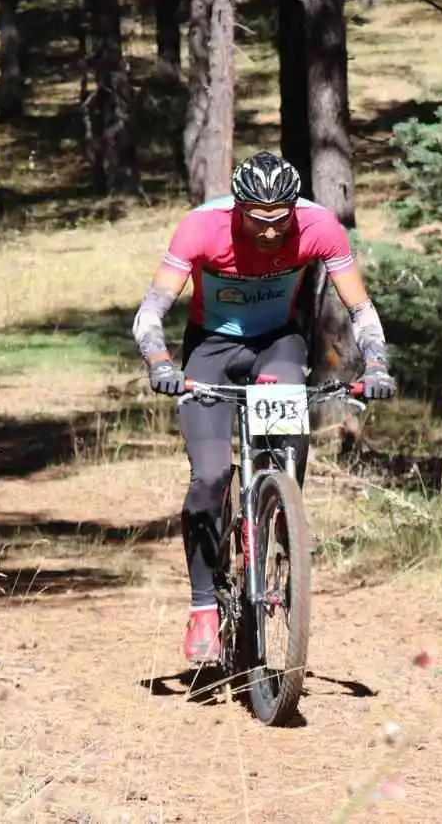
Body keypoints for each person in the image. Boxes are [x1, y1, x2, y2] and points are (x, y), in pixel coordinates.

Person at [132, 151, 398, 664]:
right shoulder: (202, 227)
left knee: (287, 442)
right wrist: (161, 363)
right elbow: (150, 312)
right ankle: (204, 605)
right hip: (210, 348)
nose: (273, 231)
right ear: (238, 208)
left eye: (282, 219)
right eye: (259, 218)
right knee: (209, 478)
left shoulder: (319, 225)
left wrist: (377, 364)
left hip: (278, 344)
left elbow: (360, 309)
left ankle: (283, 519)